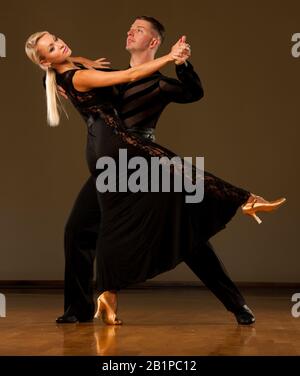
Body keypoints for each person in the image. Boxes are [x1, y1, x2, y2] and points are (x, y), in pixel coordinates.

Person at [25, 30, 286, 326]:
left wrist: (178, 63)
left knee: (184, 234)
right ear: (46, 61)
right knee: (79, 230)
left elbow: (190, 91)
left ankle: (236, 303)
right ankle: (79, 308)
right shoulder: (96, 76)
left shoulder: (148, 80)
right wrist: (168, 57)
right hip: (118, 159)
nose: (129, 33)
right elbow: (125, 76)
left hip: (128, 162)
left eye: (138, 30)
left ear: (153, 42)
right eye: (52, 47)